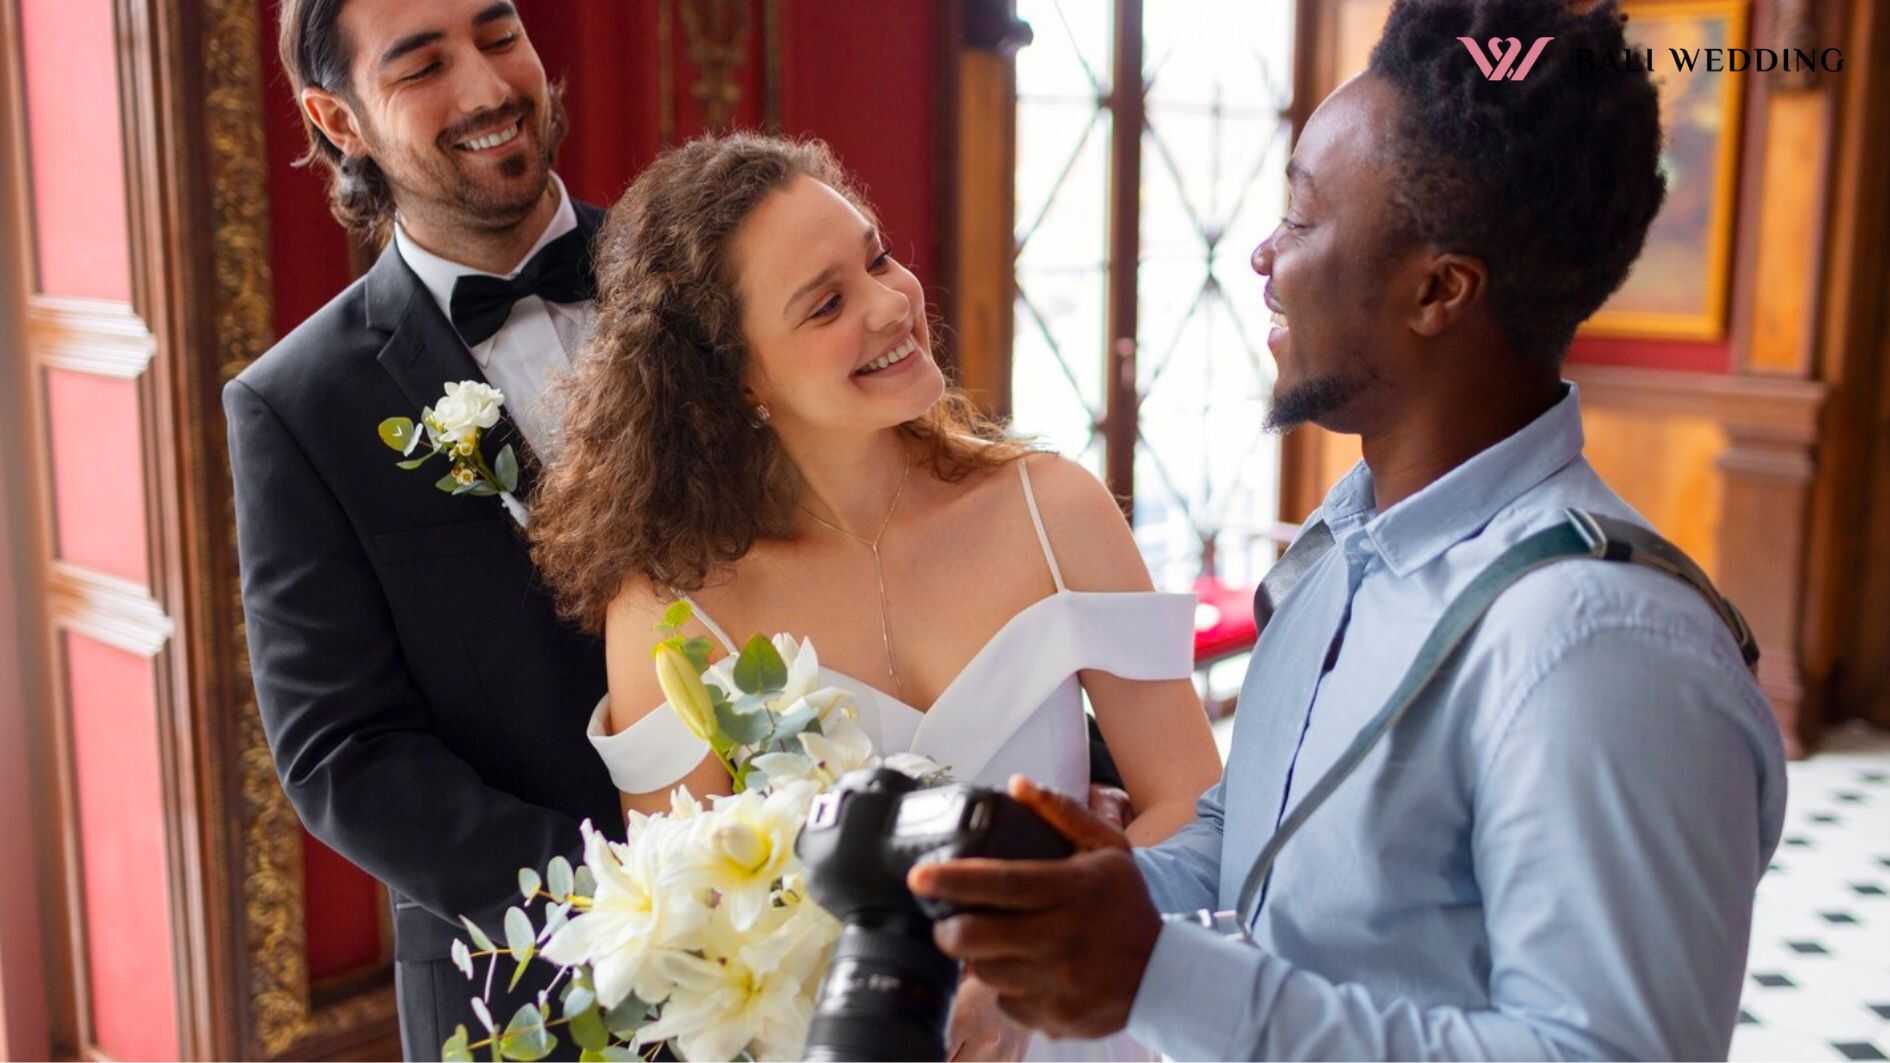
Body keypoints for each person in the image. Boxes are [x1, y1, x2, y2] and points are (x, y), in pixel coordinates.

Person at [909, 1, 1788, 1059]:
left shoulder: (1602, 642)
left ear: (1437, 290)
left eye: (1305, 217)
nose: (1263, 256)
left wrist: (1160, 975)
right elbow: (1254, 836)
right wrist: (1096, 902)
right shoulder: (1343, 546)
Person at [526, 132, 1225, 1061]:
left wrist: (1030, 976)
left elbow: (1193, 802)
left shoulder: (1056, 508)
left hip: (1083, 1025)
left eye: (877, 256)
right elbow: (689, 942)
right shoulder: (671, 611)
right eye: (827, 304)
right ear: (734, 381)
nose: (892, 303)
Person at [225, 1, 617, 1056]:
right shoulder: (295, 406)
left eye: (499, 38)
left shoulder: (711, 274)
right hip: (527, 990)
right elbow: (340, 750)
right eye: (422, 66)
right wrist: (632, 895)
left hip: (808, 923)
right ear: (337, 118)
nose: (491, 90)